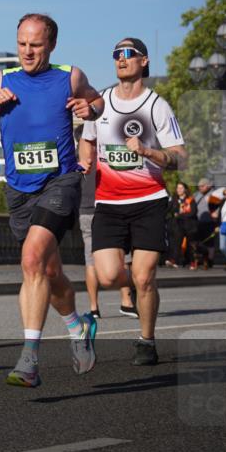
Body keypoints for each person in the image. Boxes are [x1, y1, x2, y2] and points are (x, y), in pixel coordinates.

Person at [0, 13, 103, 388]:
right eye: (22, 44)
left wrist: (88, 109)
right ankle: (77, 326)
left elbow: (95, 100)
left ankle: (29, 359)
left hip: (60, 182)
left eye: (36, 45)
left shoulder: (69, 76)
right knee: (48, 272)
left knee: (31, 259)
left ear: (52, 45)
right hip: (19, 190)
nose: (28, 52)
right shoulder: (3, 80)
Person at [79, 38, 187, 367]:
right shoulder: (100, 104)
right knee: (110, 276)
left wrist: (147, 152)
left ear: (144, 61)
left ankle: (146, 340)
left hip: (149, 201)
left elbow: (180, 157)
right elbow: (87, 142)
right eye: (116, 55)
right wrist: (85, 162)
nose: (121, 60)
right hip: (109, 203)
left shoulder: (157, 106)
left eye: (128, 54)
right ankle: (140, 284)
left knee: (144, 277)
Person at [75, 125, 136, 319]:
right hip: (109, 210)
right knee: (123, 256)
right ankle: (126, 302)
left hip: (84, 212)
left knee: (90, 260)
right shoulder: (105, 157)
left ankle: (94, 308)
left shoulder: (75, 162)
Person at [166, 181, 198, 268]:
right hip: (178, 225)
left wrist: (179, 215)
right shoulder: (174, 199)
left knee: (191, 244)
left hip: (190, 225)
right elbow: (167, 210)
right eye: (177, 188)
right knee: (176, 243)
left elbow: (193, 212)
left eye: (181, 188)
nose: (179, 190)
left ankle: (192, 262)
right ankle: (174, 260)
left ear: (185, 189)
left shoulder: (190, 200)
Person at [192, 178, 218, 270]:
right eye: (199, 186)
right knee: (199, 242)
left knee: (209, 243)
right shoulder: (196, 194)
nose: (200, 188)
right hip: (198, 222)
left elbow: (218, 208)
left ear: (208, 186)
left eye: (202, 186)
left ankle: (210, 260)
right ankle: (200, 260)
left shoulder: (213, 195)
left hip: (210, 222)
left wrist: (216, 214)